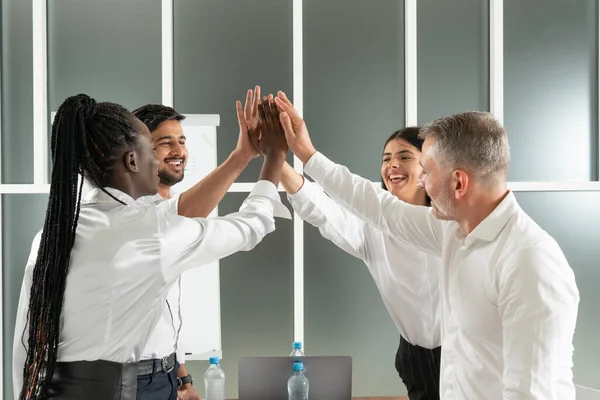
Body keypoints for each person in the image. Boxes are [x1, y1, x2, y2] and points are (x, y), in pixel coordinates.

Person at [270, 92, 579, 400]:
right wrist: (305, 153)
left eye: (427, 172)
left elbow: (529, 394)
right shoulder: (452, 233)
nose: (422, 182)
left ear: (459, 183)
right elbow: (378, 208)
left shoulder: (530, 263)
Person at [12, 93, 290, 400]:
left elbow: (26, 343)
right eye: (151, 149)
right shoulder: (151, 231)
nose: (158, 161)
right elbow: (251, 225)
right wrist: (275, 158)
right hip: (124, 388)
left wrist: (241, 156)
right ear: (132, 160)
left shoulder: (51, 236)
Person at [279, 127, 441, 399]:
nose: (392, 165)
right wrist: (275, 160)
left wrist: (307, 154)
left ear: (428, 166)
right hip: (415, 360)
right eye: (386, 158)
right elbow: (321, 211)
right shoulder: (373, 231)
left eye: (404, 156)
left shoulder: (448, 223)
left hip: (462, 357)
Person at [131, 87, 264, 400]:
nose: (179, 150)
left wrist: (183, 380)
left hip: (163, 376)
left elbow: (164, 315)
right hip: (133, 381)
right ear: (135, 152)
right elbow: (180, 218)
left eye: (182, 140)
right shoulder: (134, 213)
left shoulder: (166, 208)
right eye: (165, 142)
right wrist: (244, 155)